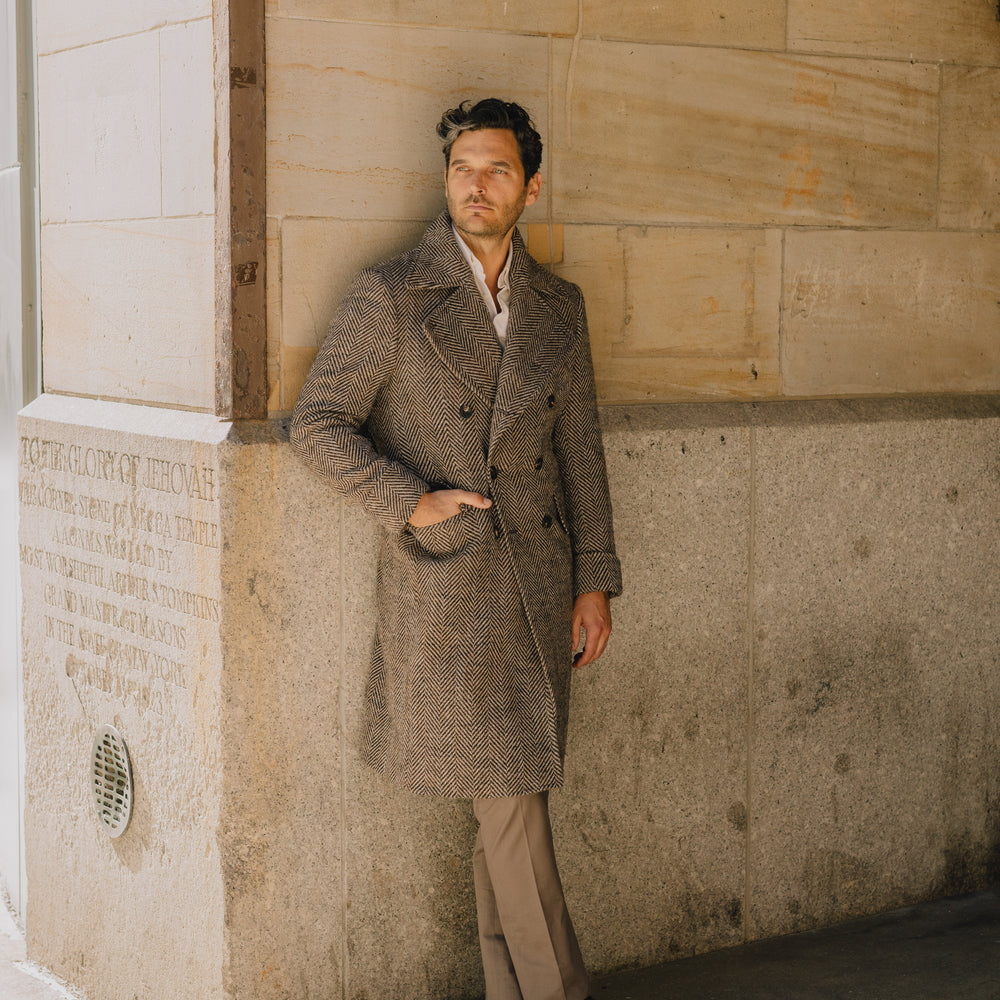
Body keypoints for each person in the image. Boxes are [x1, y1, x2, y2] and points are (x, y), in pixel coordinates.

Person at [291, 97, 622, 1000]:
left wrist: (594, 582)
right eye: (464, 168)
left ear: (532, 186)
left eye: (498, 170)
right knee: (513, 809)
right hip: (449, 596)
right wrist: (415, 502)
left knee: (506, 815)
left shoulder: (561, 306)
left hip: (540, 588)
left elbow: (579, 452)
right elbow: (316, 426)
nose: (478, 185)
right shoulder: (392, 294)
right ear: (446, 179)